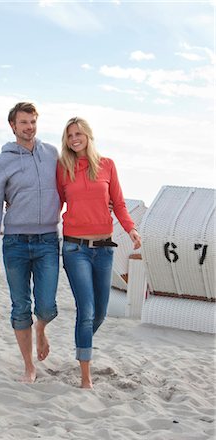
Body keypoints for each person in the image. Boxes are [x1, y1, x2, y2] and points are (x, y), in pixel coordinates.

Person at [56, 117, 141, 389]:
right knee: (87, 310)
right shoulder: (63, 168)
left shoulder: (107, 166)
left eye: (78, 133)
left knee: (101, 312)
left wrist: (131, 230)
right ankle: (85, 378)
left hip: (103, 249)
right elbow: (53, 203)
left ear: (89, 135)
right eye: (70, 135)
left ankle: (82, 345)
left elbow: (119, 203)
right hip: (74, 248)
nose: (74, 139)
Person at [0, 102, 60, 383]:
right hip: (15, 242)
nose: (29, 127)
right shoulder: (1, 162)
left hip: (48, 241)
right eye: (24, 122)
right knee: (20, 306)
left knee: (46, 306)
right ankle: (29, 366)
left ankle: (41, 329)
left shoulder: (52, 154)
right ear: (13, 126)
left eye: (33, 121)